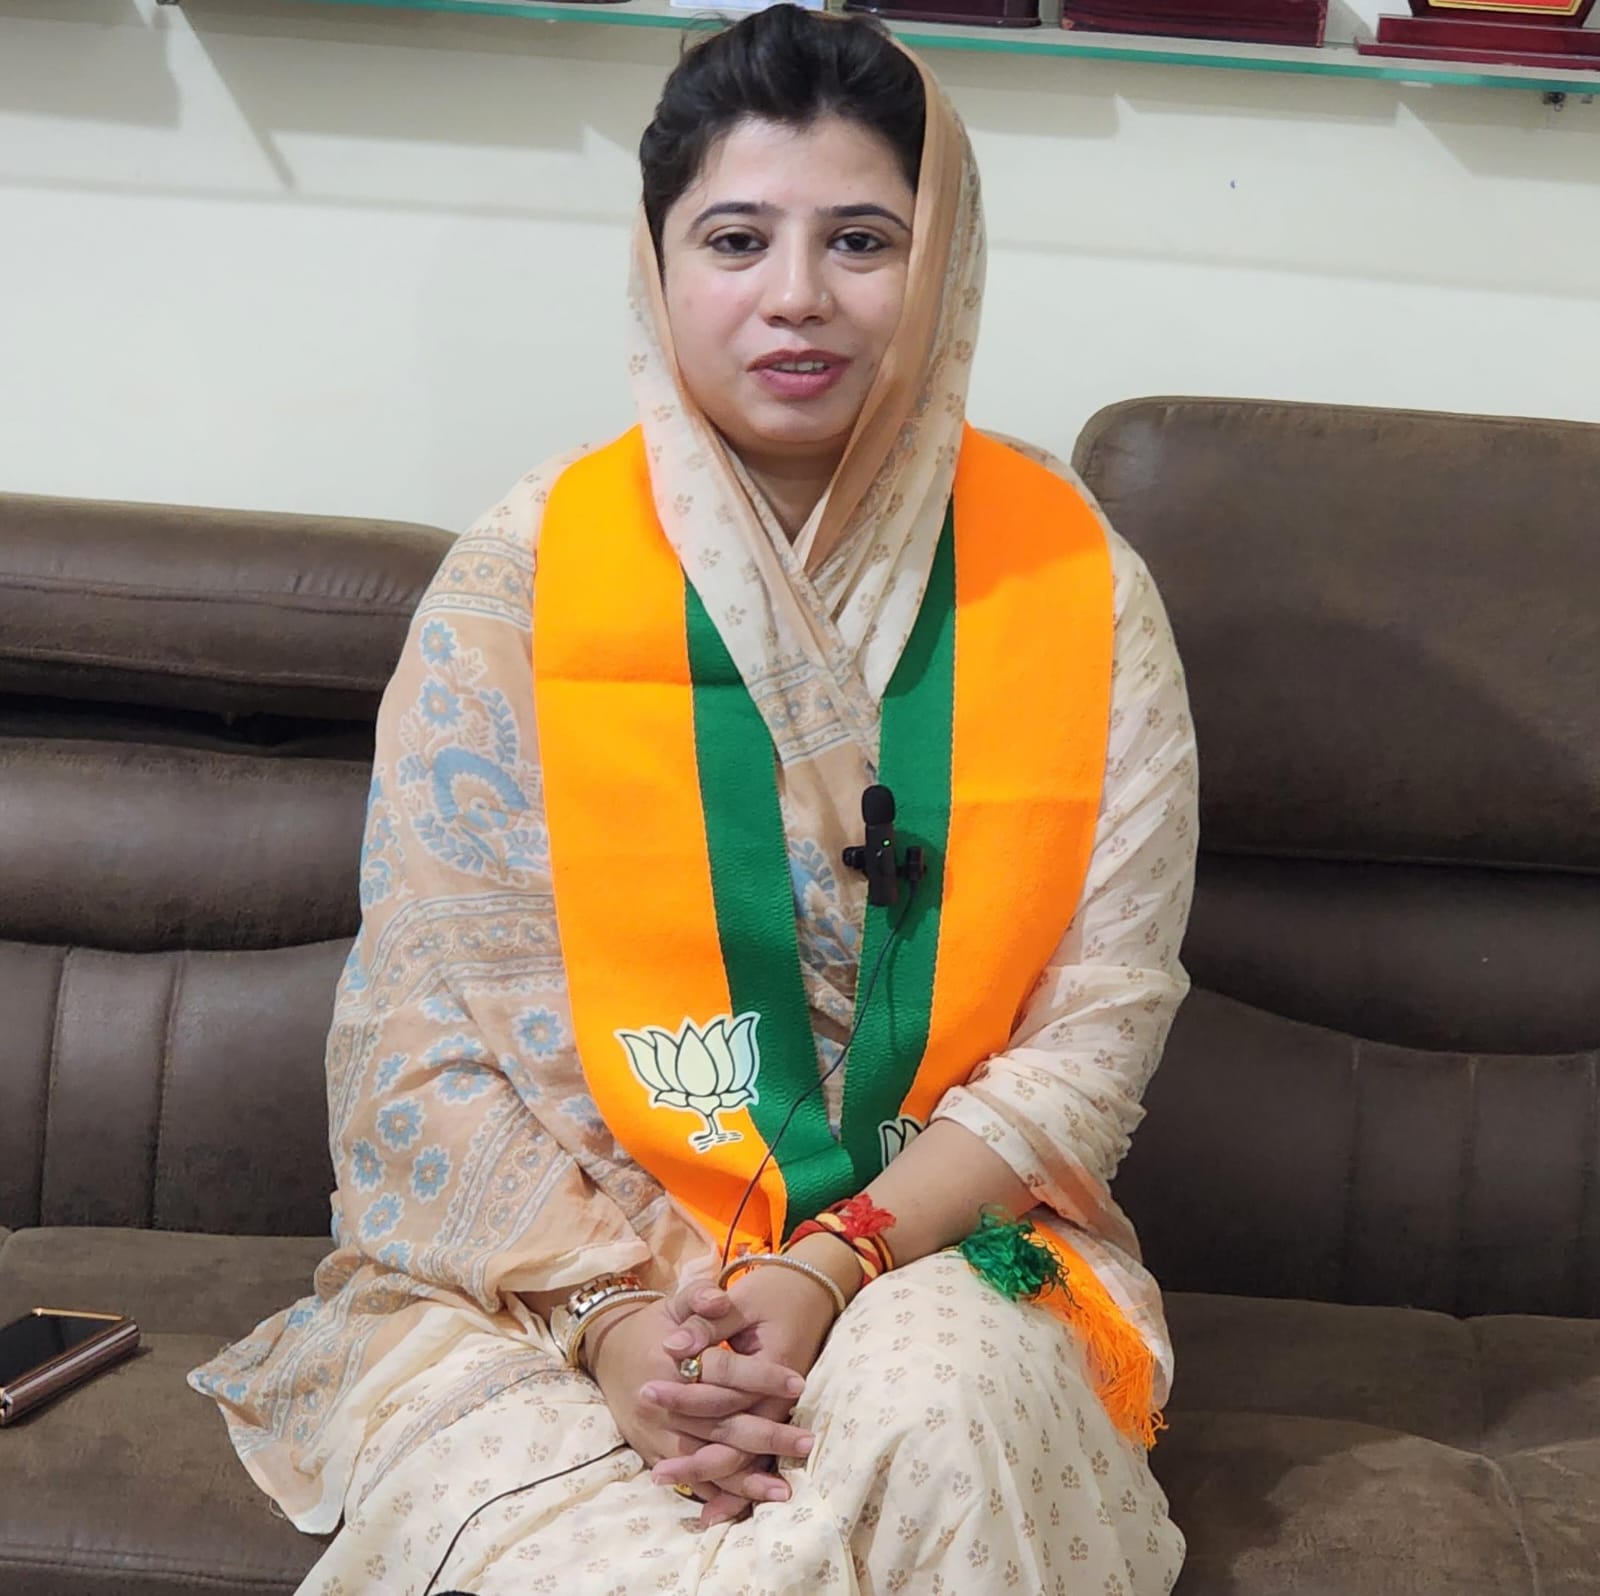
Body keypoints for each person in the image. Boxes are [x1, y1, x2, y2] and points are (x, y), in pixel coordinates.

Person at [191, 8, 1197, 1593]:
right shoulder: (522, 583)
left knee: (942, 1421)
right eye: (736, 239)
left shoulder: (1079, 586)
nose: (797, 294)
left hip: (942, 1238)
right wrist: (620, 1327)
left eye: (861, 239)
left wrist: (831, 1263)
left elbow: (1098, 1027)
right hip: (551, 1276)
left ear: (940, 267)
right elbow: (424, 1029)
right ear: (656, 264)